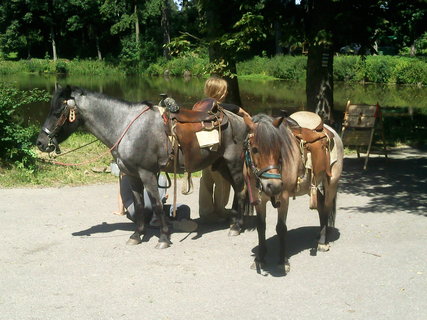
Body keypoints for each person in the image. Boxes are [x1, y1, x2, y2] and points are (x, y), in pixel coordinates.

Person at [198, 76, 250, 223]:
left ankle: (205, 211)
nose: (226, 93)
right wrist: (252, 125)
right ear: (220, 92)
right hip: (219, 154)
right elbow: (245, 114)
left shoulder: (200, 107)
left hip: (203, 152)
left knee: (205, 181)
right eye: (224, 90)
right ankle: (220, 211)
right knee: (222, 183)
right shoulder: (227, 108)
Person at [115, 172, 197, 233]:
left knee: (183, 207)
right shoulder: (127, 176)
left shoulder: (144, 174)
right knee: (160, 178)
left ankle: (180, 222)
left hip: (152, 207)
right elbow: (123, 195)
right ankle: (156, 218)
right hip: (136, 209)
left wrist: (162, 199)